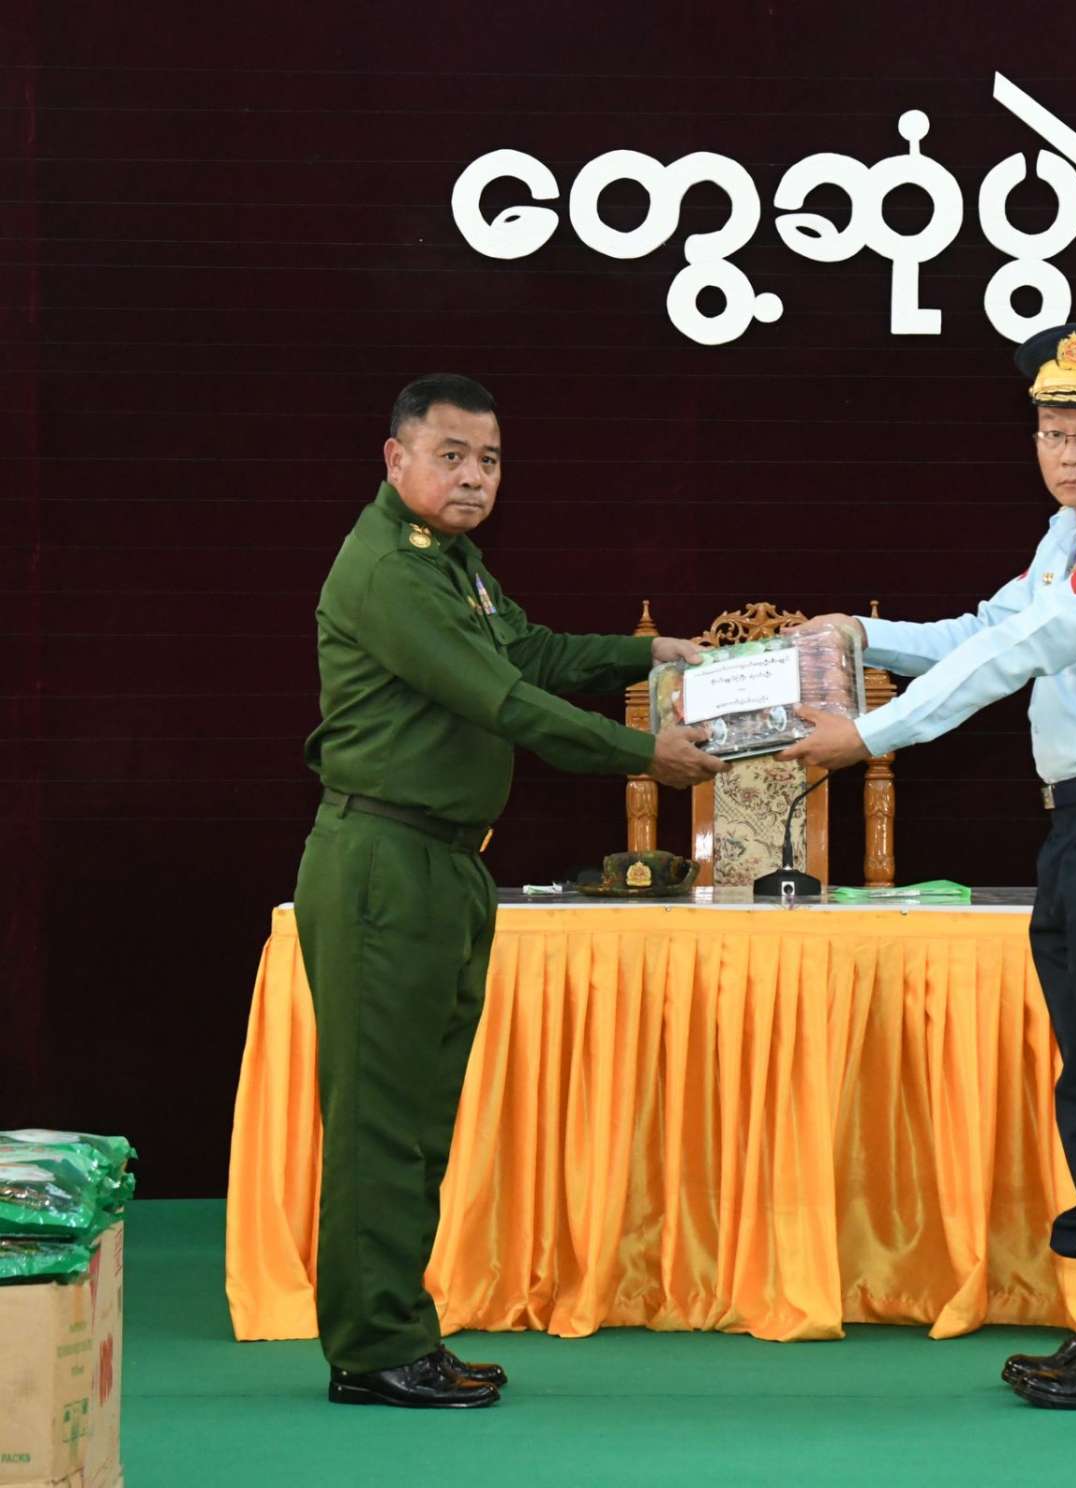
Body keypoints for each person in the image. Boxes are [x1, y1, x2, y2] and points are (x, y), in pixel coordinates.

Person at [781, 324, 1076, 1411]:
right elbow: (985, 629)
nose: (1071, 452)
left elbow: (1020, 654)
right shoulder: (1072, 534)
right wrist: (866, 638)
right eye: (1053, 431)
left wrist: (867, 735)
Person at [294, 373, 723, 1409]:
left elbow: (528, 650)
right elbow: (507, 700)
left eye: (488, 460)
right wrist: (647, 755)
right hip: (384, 863)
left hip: (442, 863)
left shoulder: (451, 564)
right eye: (451, 456)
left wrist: (648, 654)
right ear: (396, 458)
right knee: (380, 1121)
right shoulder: (388, 572)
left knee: (418, 1119)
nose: (474, 477)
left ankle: (402, 1331)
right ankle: (371, 1348)